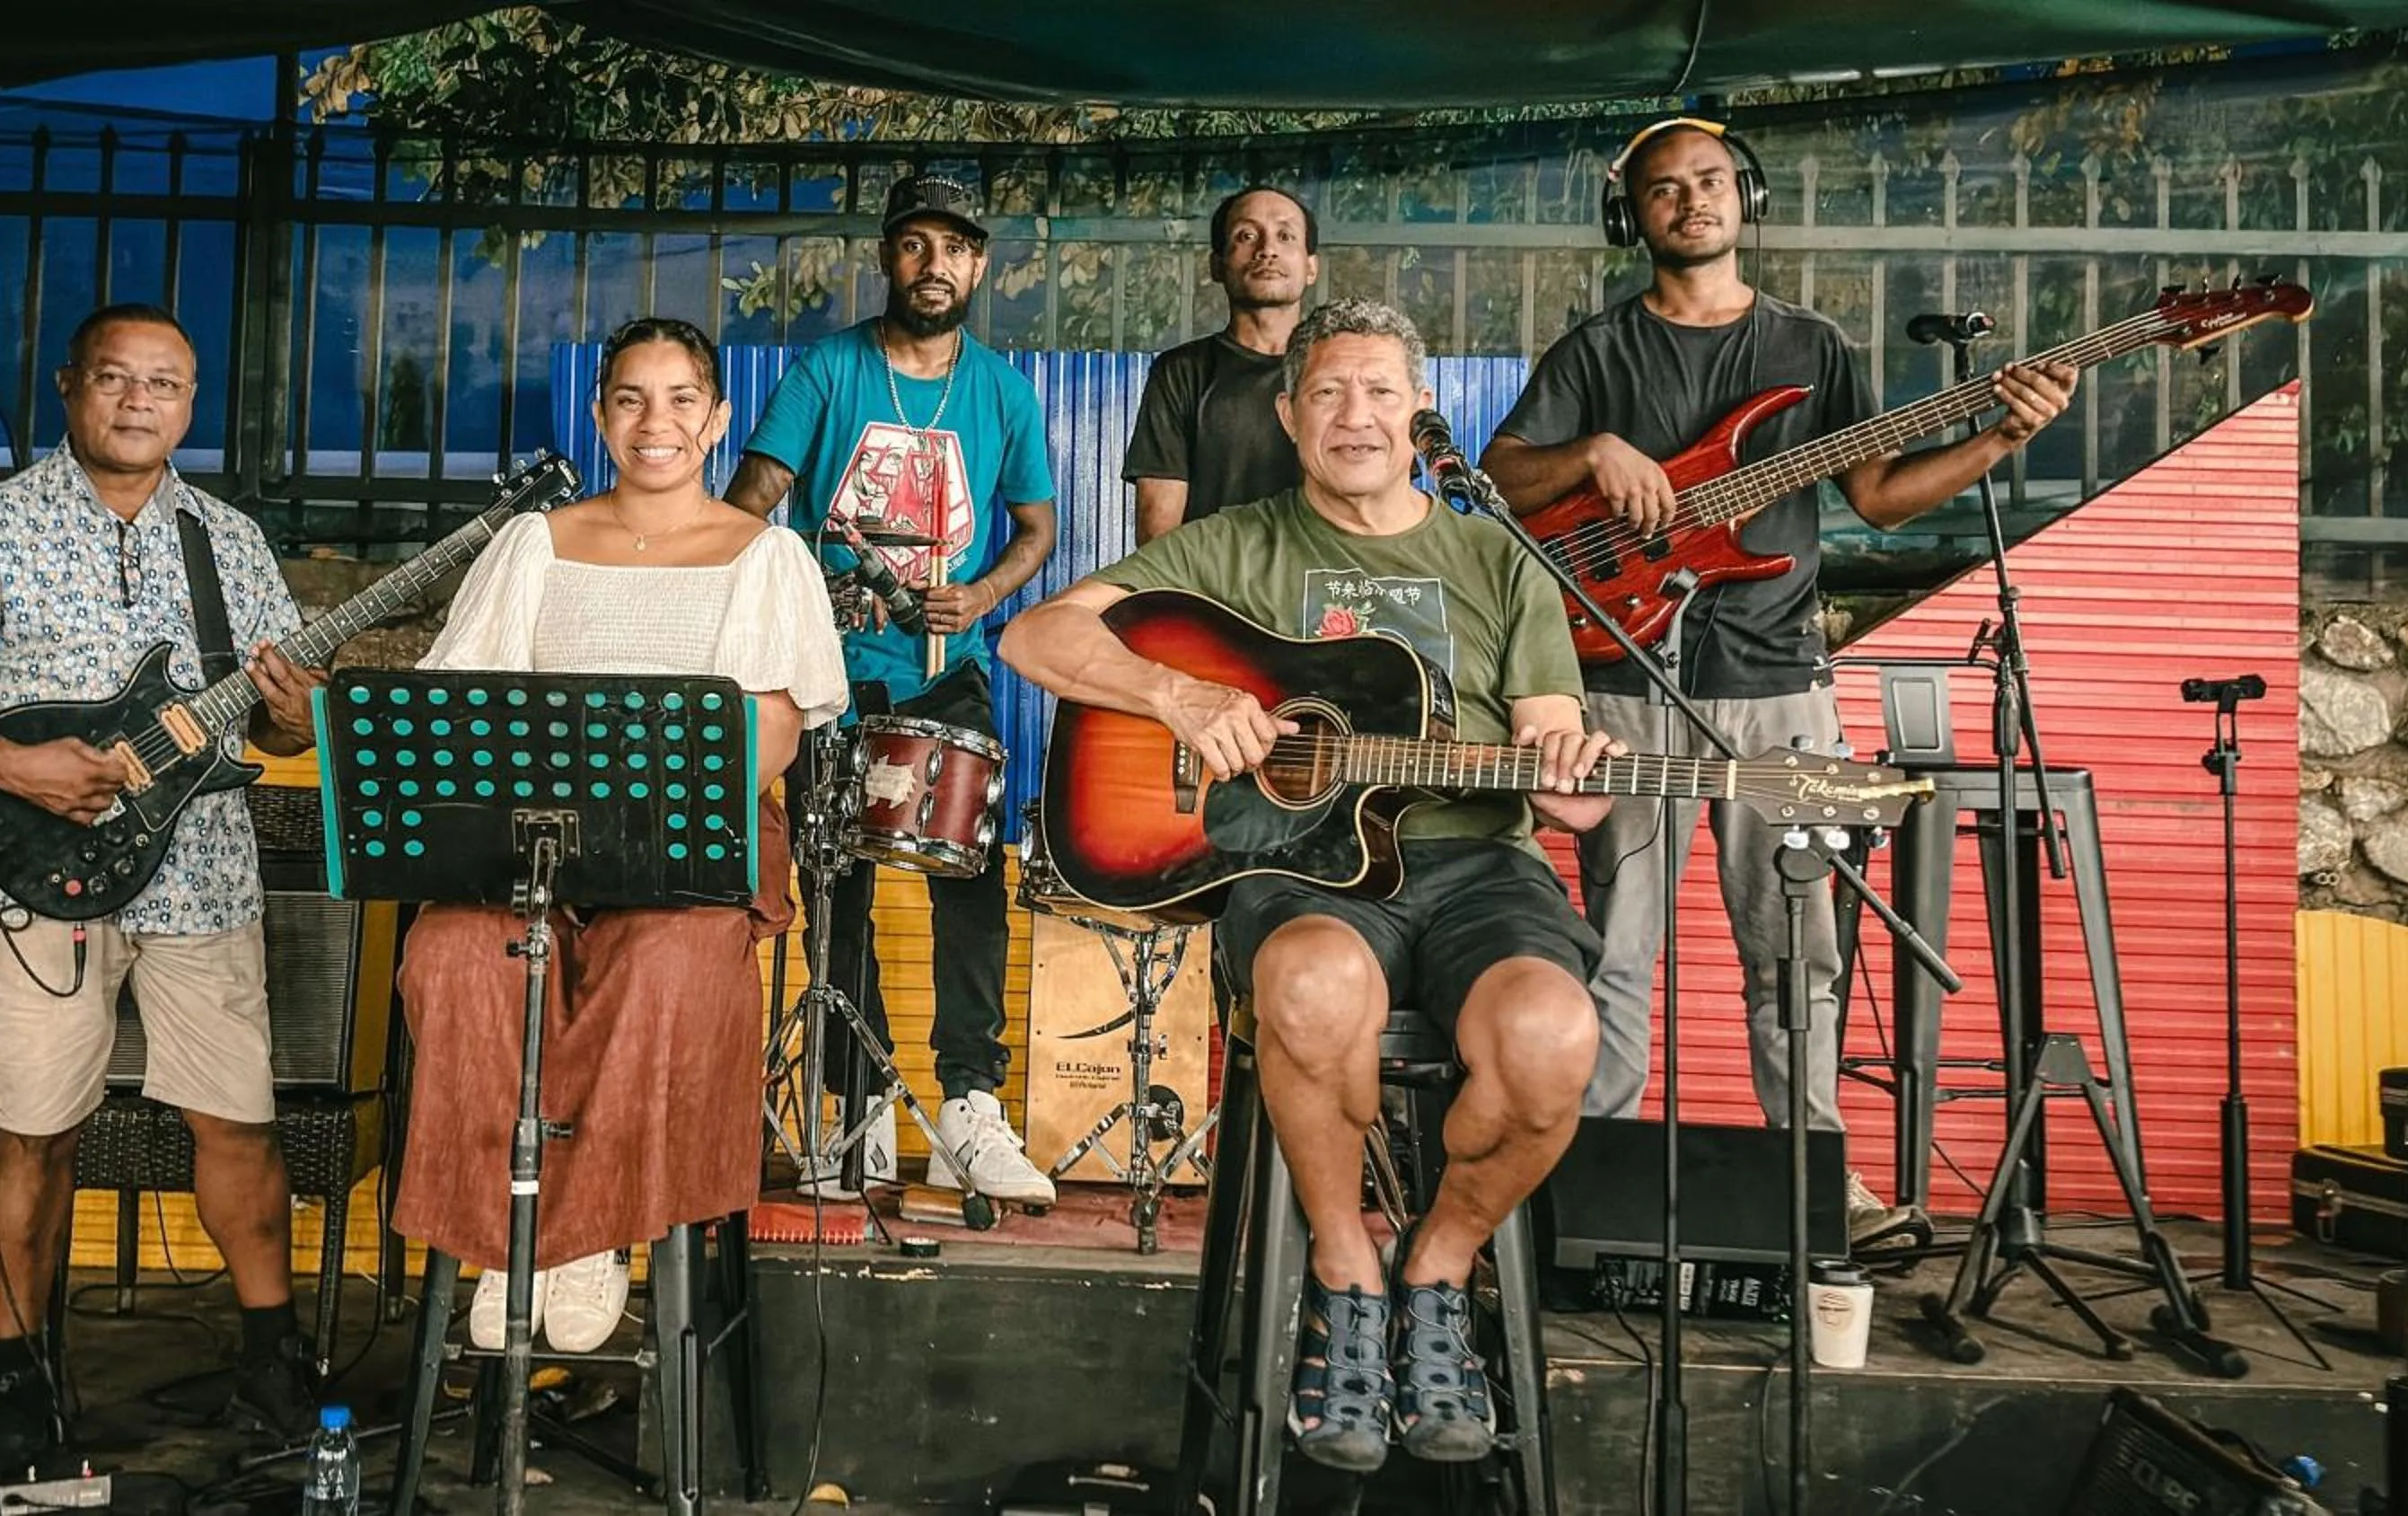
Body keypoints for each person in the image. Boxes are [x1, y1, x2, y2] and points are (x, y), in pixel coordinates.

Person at [1001, 298, 1617, 1473]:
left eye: (1381, 391)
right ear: (1287, 416)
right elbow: (1036, 642)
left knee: (1549, 1036)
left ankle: (1437, 1270)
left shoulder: (1499, 558)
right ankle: (1347, 1272)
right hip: (1304, 871)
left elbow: (1562, 770)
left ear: (1419, 410)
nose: (1356, 415)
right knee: (1315, 985)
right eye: (1328, 392)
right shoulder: (1238, 546)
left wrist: (1577, 770)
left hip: (1479, 864)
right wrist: (1177, 697)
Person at [1479, 118, 2078, 1246]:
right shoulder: (1595, 351)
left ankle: (1813, 1176)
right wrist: (1594, 452)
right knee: (1618, 939)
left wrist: (2001, 439)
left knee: (1799, 941)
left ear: (1743, 198)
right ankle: (1588, 1175)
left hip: (1784, 680)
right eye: (1664, 190)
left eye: (1708, 182)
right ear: (1633, 217)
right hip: (1621, 676)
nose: (1690, 202)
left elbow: (1882, 497)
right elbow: (1502, 476)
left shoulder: (1813, 346)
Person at [0, 303, 329, 1468]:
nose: (137, 401)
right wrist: (6, 760)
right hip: (39, 871)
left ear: (190, 403)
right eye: (115, 379)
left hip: (204, 878)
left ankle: (272, 1358)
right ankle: (19, 1373)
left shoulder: (226, 539)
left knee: (238, 1121)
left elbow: (285, 732)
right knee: (34, 1130)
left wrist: (291, 712)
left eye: (163, 384)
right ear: (72, 388)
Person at [398, 316, 848, 1352]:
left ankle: (581, 1230)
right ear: (600, 417)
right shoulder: (535, 546)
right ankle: (507, 1229)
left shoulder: (766, 557)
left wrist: (641, 831)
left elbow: (773, 730)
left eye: (683, 397)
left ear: (720, 418)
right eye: (631, 398)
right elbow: (463, 707)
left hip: (691, 853)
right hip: (534, 847)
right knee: (455, 952)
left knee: (663, 962)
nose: (658, 421)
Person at [725, 173, 1059, 1207]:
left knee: (968, 886)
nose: (934, 265)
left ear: (979, 265)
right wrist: (777, 590)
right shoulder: (827, 369)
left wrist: (985, 592)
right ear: (887, 259)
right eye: (914, 245)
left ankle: (969, 1104)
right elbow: (751, 503)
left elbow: (1036, 529)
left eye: (953, 248)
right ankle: (855, 1103)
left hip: (944, 674)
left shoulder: (1002, 390)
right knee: (836, 892)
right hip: (830, 682)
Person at [1121, 184, 1320, 542]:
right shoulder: (1180, 373)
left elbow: (1379, 510)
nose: (1267, 250)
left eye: (1285, 235)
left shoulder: (1348, 373)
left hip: (1325, 593)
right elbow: (1157, 535)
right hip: (1209, 593)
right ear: (1217, 264)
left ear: (1311, 267)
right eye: (1246, 235)